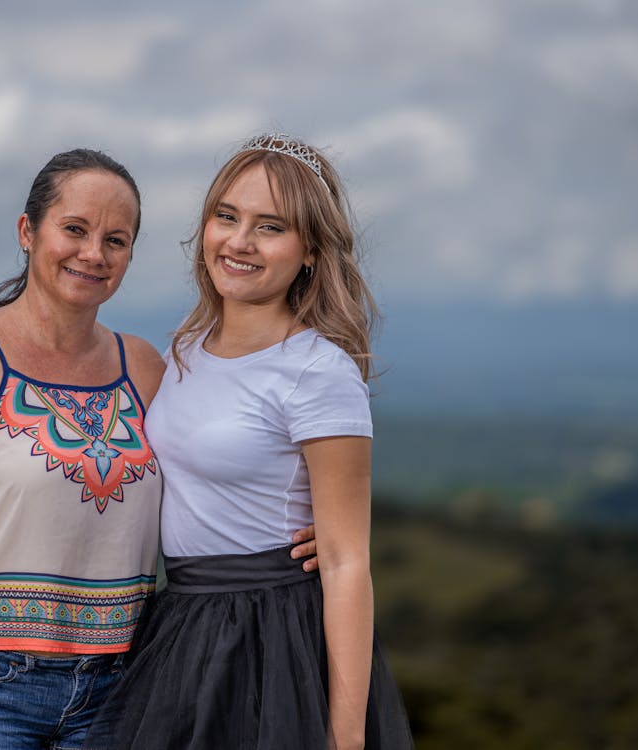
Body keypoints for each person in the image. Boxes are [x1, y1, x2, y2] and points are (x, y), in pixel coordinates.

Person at [0, 147, 319, 750]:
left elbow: (214, 466)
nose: (94, 254)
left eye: (116, 239)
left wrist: (298, 532)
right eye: (75, 230)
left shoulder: (145, 368)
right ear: (28, 232)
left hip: (125, 690)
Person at [91, 134, 414, 749]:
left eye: (270, 227)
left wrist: (344, 738)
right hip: (181, 624)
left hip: (273, 637)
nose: (239, 242)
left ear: (312, 251)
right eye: (226, 216)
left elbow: (347, 564)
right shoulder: (183, 353)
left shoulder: (318, 371)